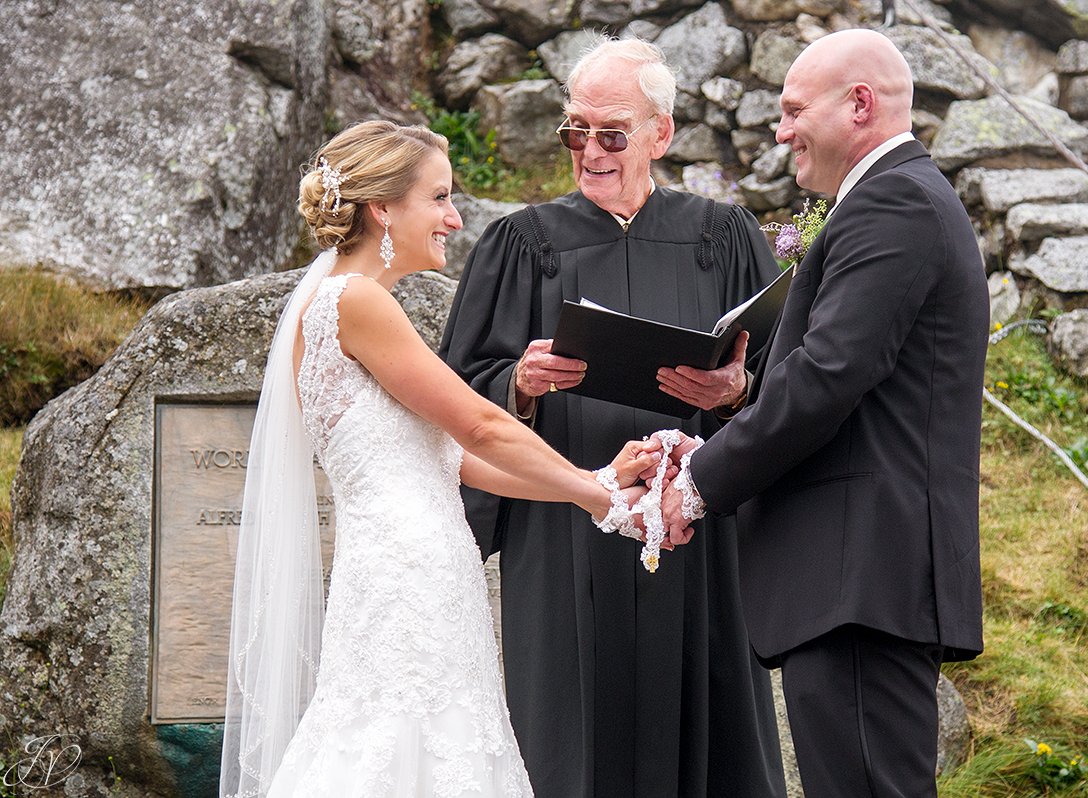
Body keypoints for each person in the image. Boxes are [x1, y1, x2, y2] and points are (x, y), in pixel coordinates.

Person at [219, 120, 661, 798]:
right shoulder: (355, 300)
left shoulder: (347, 301)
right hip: (407, 574)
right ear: (383, 209)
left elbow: (453, 459)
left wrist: (590, 483)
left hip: (418, 564)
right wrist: (602, 501)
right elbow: (482, 425)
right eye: (439, 198)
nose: (454, 218)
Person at [439, 36, 787, 798]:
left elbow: (788, 381)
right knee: (571, 737)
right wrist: (522, 384)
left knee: (710, 726)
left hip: (695, 526)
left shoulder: (724, 239)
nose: (588, 149)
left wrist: (731, 392)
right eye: (574, 129)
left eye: (611, 133)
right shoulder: (520, 245)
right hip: (568, 531)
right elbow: (457, 393)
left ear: (660, 134)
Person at [656, 29, 989, 798]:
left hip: (861, 581)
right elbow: (853, 373)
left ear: (860, 105)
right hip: (853, 583)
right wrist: (741, 395)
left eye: (794, 109)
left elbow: (832, 377)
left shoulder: (896, 202)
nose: (780, 130)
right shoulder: (889, 202)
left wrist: (698, 482)